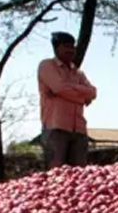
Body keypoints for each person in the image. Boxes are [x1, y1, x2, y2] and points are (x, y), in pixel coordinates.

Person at [37, 32, 96, 168]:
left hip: (79, 129)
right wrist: (81, 97)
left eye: (72, 47)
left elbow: (93, 92)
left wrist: (68, 90)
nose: (71, 50)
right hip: (56, 127)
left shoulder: (77, 72)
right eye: (67, 47)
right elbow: (59, 88)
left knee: (78, 176)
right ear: (57, 48)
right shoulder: (47, 66)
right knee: (56, 174)